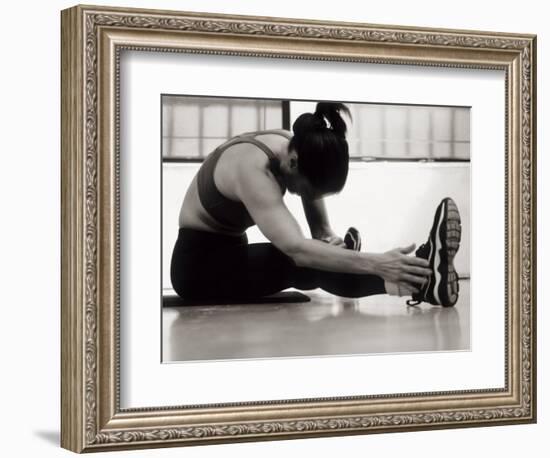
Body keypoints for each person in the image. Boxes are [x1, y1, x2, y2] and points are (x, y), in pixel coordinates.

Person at [170, 102, 461, 306]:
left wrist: (329, 242)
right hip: (199, 270)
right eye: (308, 190)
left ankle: (419, 277)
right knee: (299, 263)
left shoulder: (295, 146)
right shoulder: (251, 168)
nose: (304, 195)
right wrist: (376, 262)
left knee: (318, 256)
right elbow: (297, 249)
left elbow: (319, 230)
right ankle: (420, 281)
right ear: (294, 163)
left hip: (231, 251)